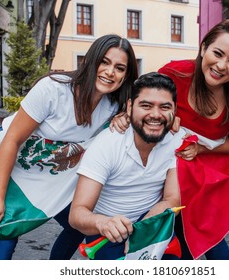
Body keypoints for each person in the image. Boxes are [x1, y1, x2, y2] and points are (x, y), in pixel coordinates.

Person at [110, 19, 229, 260]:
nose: (221, 66)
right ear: (203, 49)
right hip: (162, 170)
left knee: (205, 240)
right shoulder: (174, 73)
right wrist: (125, 117)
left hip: (206, 174)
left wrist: (202, 148)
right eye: (217, 53)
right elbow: (142, 104)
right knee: (170, 237)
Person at [0, 34, 139, 259]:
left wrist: (122, 118)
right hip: (15, 160)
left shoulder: (113, 105)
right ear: (91, 61)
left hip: (54, 170)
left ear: (125, 76)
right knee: (4, 232)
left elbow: (146, 112)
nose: (110, 72)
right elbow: (12, 140)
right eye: (104, 62)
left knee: (77, 224)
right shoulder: (52, 90)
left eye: (120, 68)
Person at [69, 72, 184, 260]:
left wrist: (142, 233)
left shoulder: (177, 139)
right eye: (146, 106)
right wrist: (102, 223)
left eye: (165, 107)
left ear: (175, 109)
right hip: (108, 232)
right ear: (130, 107)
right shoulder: (107, 144)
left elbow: (172, 199)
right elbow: (77, 214)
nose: (155, 115)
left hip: (153, 223)